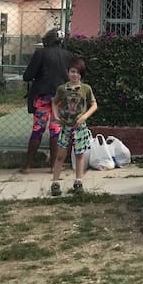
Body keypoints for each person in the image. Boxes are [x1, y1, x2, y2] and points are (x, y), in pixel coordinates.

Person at [19, 28, 72, 173]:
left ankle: (27, 166)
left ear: (47, 40)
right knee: (55, 131)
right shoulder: (68, 55)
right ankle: (54, 166)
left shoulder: (40, 53)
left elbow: (28, 76)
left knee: (38, 130)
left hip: (42, 97)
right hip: (60, 98)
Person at [49, 58, 98, 196]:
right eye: (72, 71)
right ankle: (55, 183)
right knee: (60, 155)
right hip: (65, 127)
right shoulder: (62, 89)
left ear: (81, 75)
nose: (75, 75)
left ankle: (78, 182)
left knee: (79, 155)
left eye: (78, 72)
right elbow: (54, 102)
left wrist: (84, 116)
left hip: (80, 127)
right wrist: (56, 115)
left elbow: (94, 105)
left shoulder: (86, 89)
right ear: (68, 72)